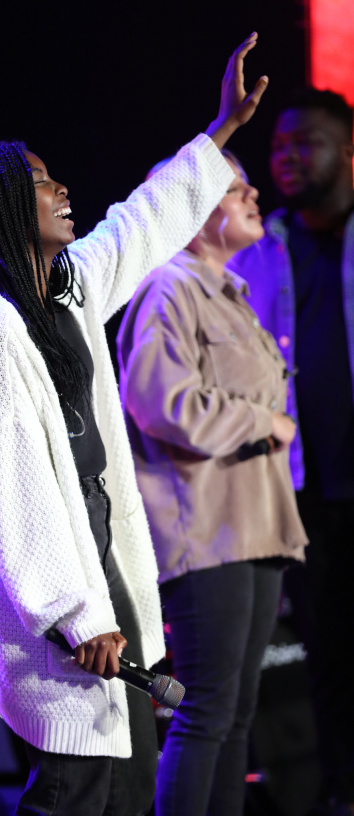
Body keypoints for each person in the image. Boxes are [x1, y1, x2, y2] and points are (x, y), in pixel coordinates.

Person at [0, 34, 267, 816]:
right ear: (0, 207)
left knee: (128, 786)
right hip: (60, 607)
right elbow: (17, 481)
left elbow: (141, 224)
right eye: (39, 182)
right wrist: (72, 613)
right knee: (76, 791)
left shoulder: (68, 288)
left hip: (104, 570)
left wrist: (220, 132)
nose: (62, 188)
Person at [117, 150, 308, 816]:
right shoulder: (168, 288)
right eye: (235, 188)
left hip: (257, 529)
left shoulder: (228, 292)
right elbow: (160, 402)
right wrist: (264, 422)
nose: (254, 194)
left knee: (236, 714)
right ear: (191, 212)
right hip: (207, 533)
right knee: (205, 711)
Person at [229, 88, 354, 816]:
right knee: (328, 655)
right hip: (303, 493)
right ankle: (341, 792)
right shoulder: (262, 246)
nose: (286, 157)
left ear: (347, 152)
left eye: (306, 142)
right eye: (278, 145)